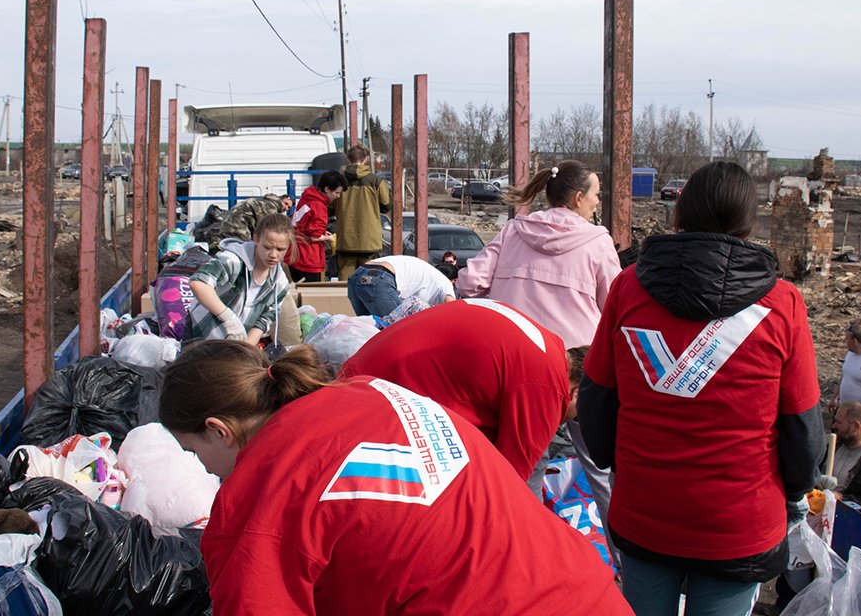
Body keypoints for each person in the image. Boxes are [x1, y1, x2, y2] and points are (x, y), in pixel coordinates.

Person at [159, 341, 633, 615]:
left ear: (219, 430)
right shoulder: (374, 393)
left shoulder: (263, 487)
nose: (203, 470)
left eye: (193, 452)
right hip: (587, 595)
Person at [579, 160, 824, 616]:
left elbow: (596, 400)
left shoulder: (628, 289)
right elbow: (803, 429)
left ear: (681, 213)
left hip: (644, 513)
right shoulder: (783, 303)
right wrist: (796, 492)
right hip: (739, 526)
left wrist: (620, 465)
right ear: (749, 222)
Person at [456, 159, 621, 547]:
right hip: (580, 369)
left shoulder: (514, 230)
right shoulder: (597, 241)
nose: (597, 202)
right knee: (601, 468)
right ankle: (625, 566)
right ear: (578, 198)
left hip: (516, 364)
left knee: (524, 466)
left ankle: (522, 554)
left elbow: (470, 282)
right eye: (596, 195)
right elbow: (616, 305)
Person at [341, 298, 570, 480]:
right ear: (576, 392)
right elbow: (510, 481)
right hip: (377, 395)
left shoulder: (543, 341)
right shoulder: (548, 381)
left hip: (368, 369)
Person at [186, 214, 294, 346]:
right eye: (267, 247)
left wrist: (246, 348)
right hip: (200, 339)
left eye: (280, 249)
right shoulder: (233, 260)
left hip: (232, 347)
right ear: (256, 239)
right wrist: (228, 318)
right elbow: (199, 283)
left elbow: (264, 319)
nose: (273, 255)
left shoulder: (279, 283)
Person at [332, 145, 390, 280]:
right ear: (365, 160)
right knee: (368, 282)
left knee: (345, 283)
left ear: (348, 160)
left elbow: (329, 206)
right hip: (370, 241)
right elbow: (386, 205)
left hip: (345, 240)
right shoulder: (375, 181)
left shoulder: (338, 181)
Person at [346, 254, 456, 318]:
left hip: (358, 277)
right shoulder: (446, 283)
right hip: (379, 279)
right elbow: (453, 310)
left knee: (370, 332)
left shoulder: (429, 275)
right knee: (399, 332)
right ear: (454, 281)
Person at [288, 170, 345, 283]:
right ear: (327, 189)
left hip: (295, 253)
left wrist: (322, 232)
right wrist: (327, 238)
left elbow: (303, 223)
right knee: (311, 290)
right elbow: (314, 237)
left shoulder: (307, 198)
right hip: (309, 258)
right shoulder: (319, 206)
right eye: (337, 193)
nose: (338, 196)